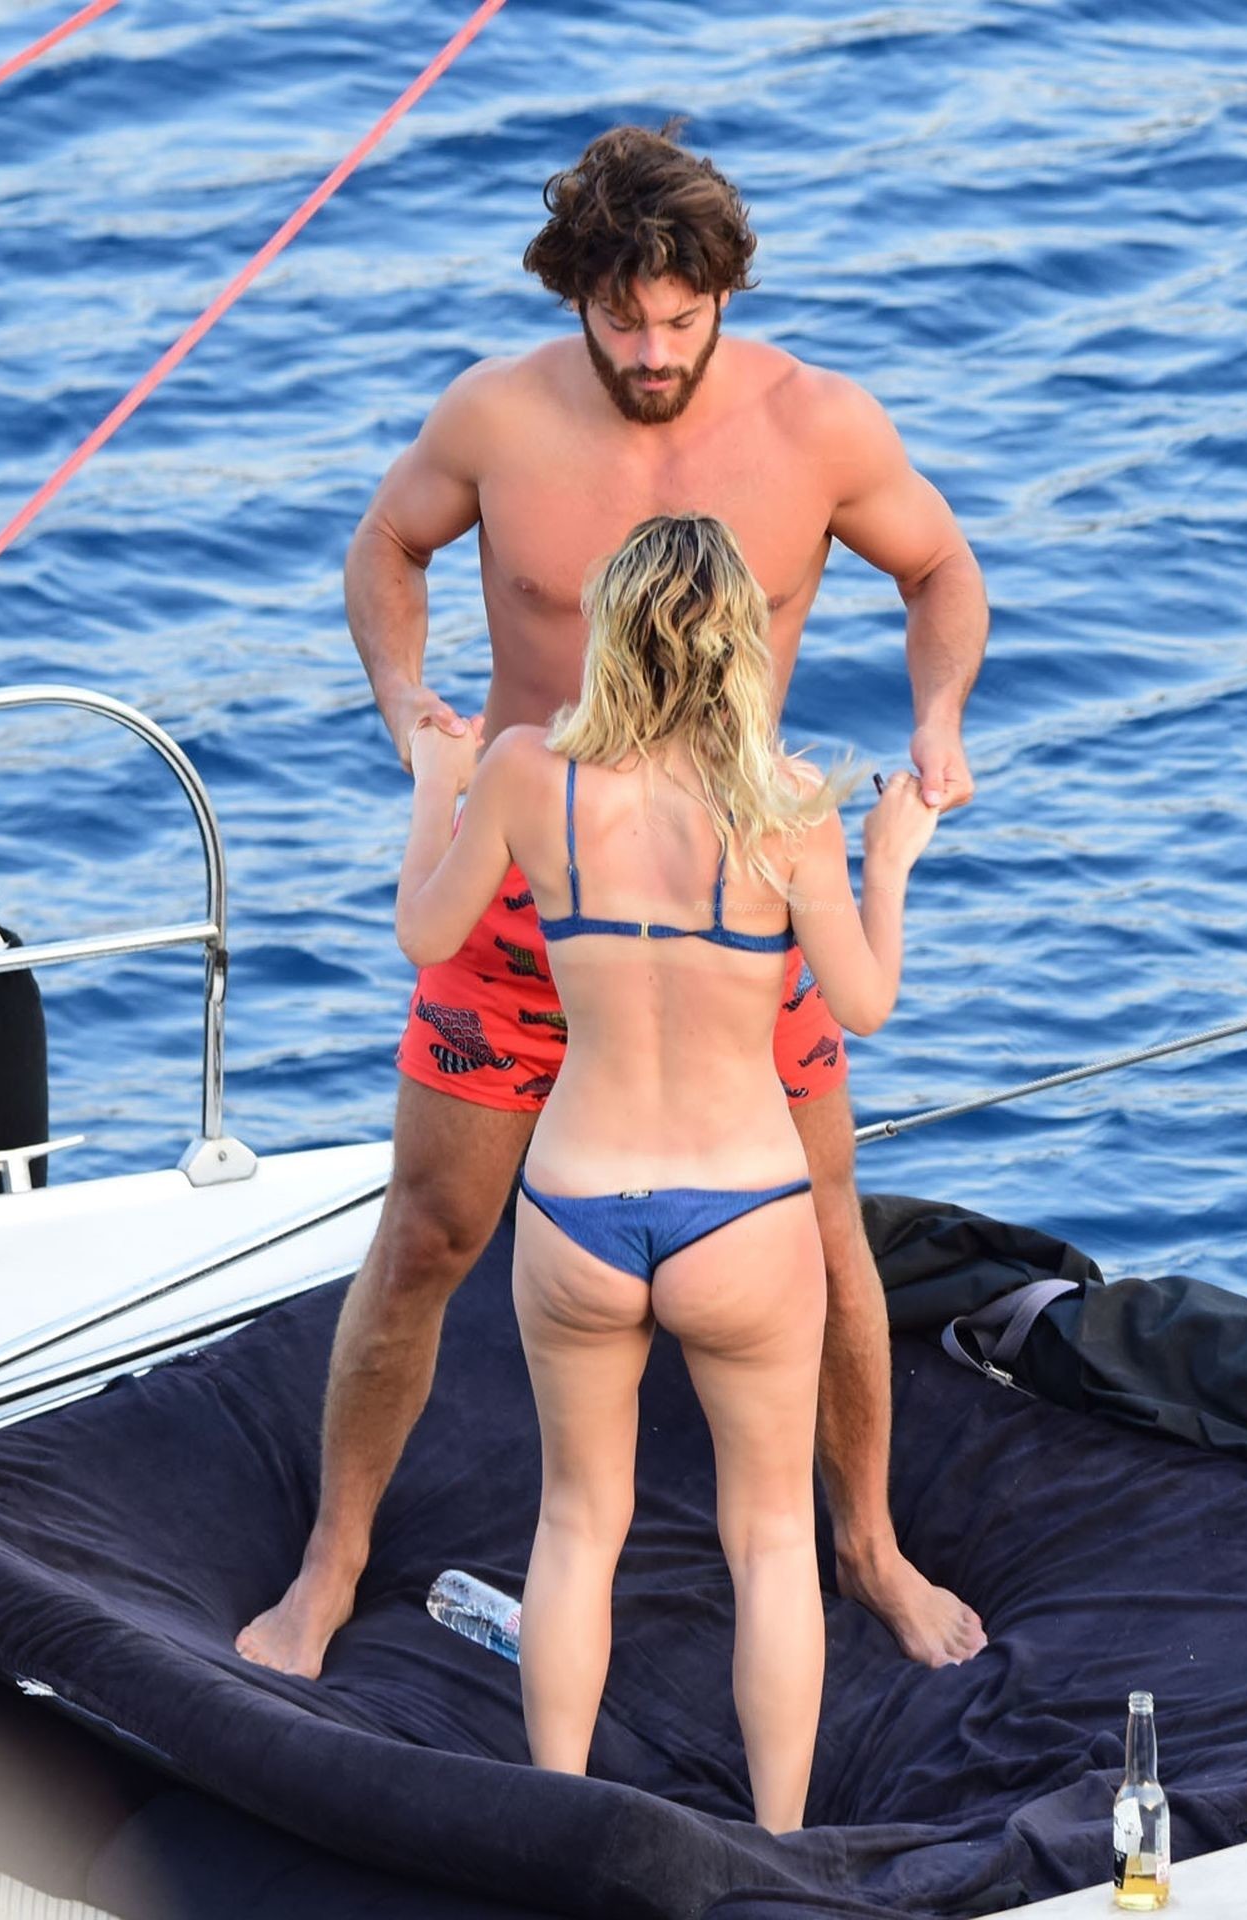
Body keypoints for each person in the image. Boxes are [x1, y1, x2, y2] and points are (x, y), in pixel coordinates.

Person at [237, 120, 989, 1683]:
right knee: (430, 1229)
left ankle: (867, 1546)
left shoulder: (816, 424)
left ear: (724, 294)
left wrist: (938, 720)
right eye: (620, 318)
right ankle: (329, 1563)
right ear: (572, 294)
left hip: (735, 894)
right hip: (523, 884)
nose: (651, 352)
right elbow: (386, 543)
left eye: (681, 319)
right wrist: (406, 706)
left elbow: (939, 571)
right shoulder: (498, 415)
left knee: (824, 1233)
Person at [396, 514, 942, 1832]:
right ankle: (777, 1849)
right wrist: (888, 864)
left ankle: (556, 1831)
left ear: (609, 629)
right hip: (744, 1208)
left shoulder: (526, 774)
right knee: (771, 1539)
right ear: (741, 643)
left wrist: (433, 782)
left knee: (577, 1525)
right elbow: (863, 1004)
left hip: (578, 1203)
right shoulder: (790, 804)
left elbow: (424, 931)